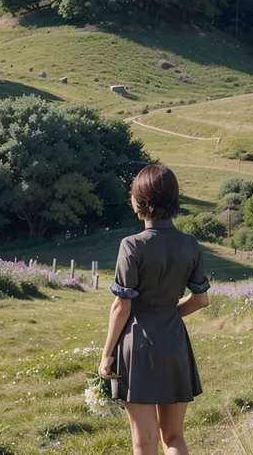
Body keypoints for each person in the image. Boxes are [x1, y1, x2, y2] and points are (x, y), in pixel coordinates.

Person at [98, 164, 210, 455]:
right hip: (174, 341)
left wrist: (106, 355)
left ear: (138, 202)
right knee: (174, 437)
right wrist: (168, 312)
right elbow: (200, 300)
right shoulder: (191, 244)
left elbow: (122, 307)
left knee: (144, 441)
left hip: (137, 345)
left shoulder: (131, 246)